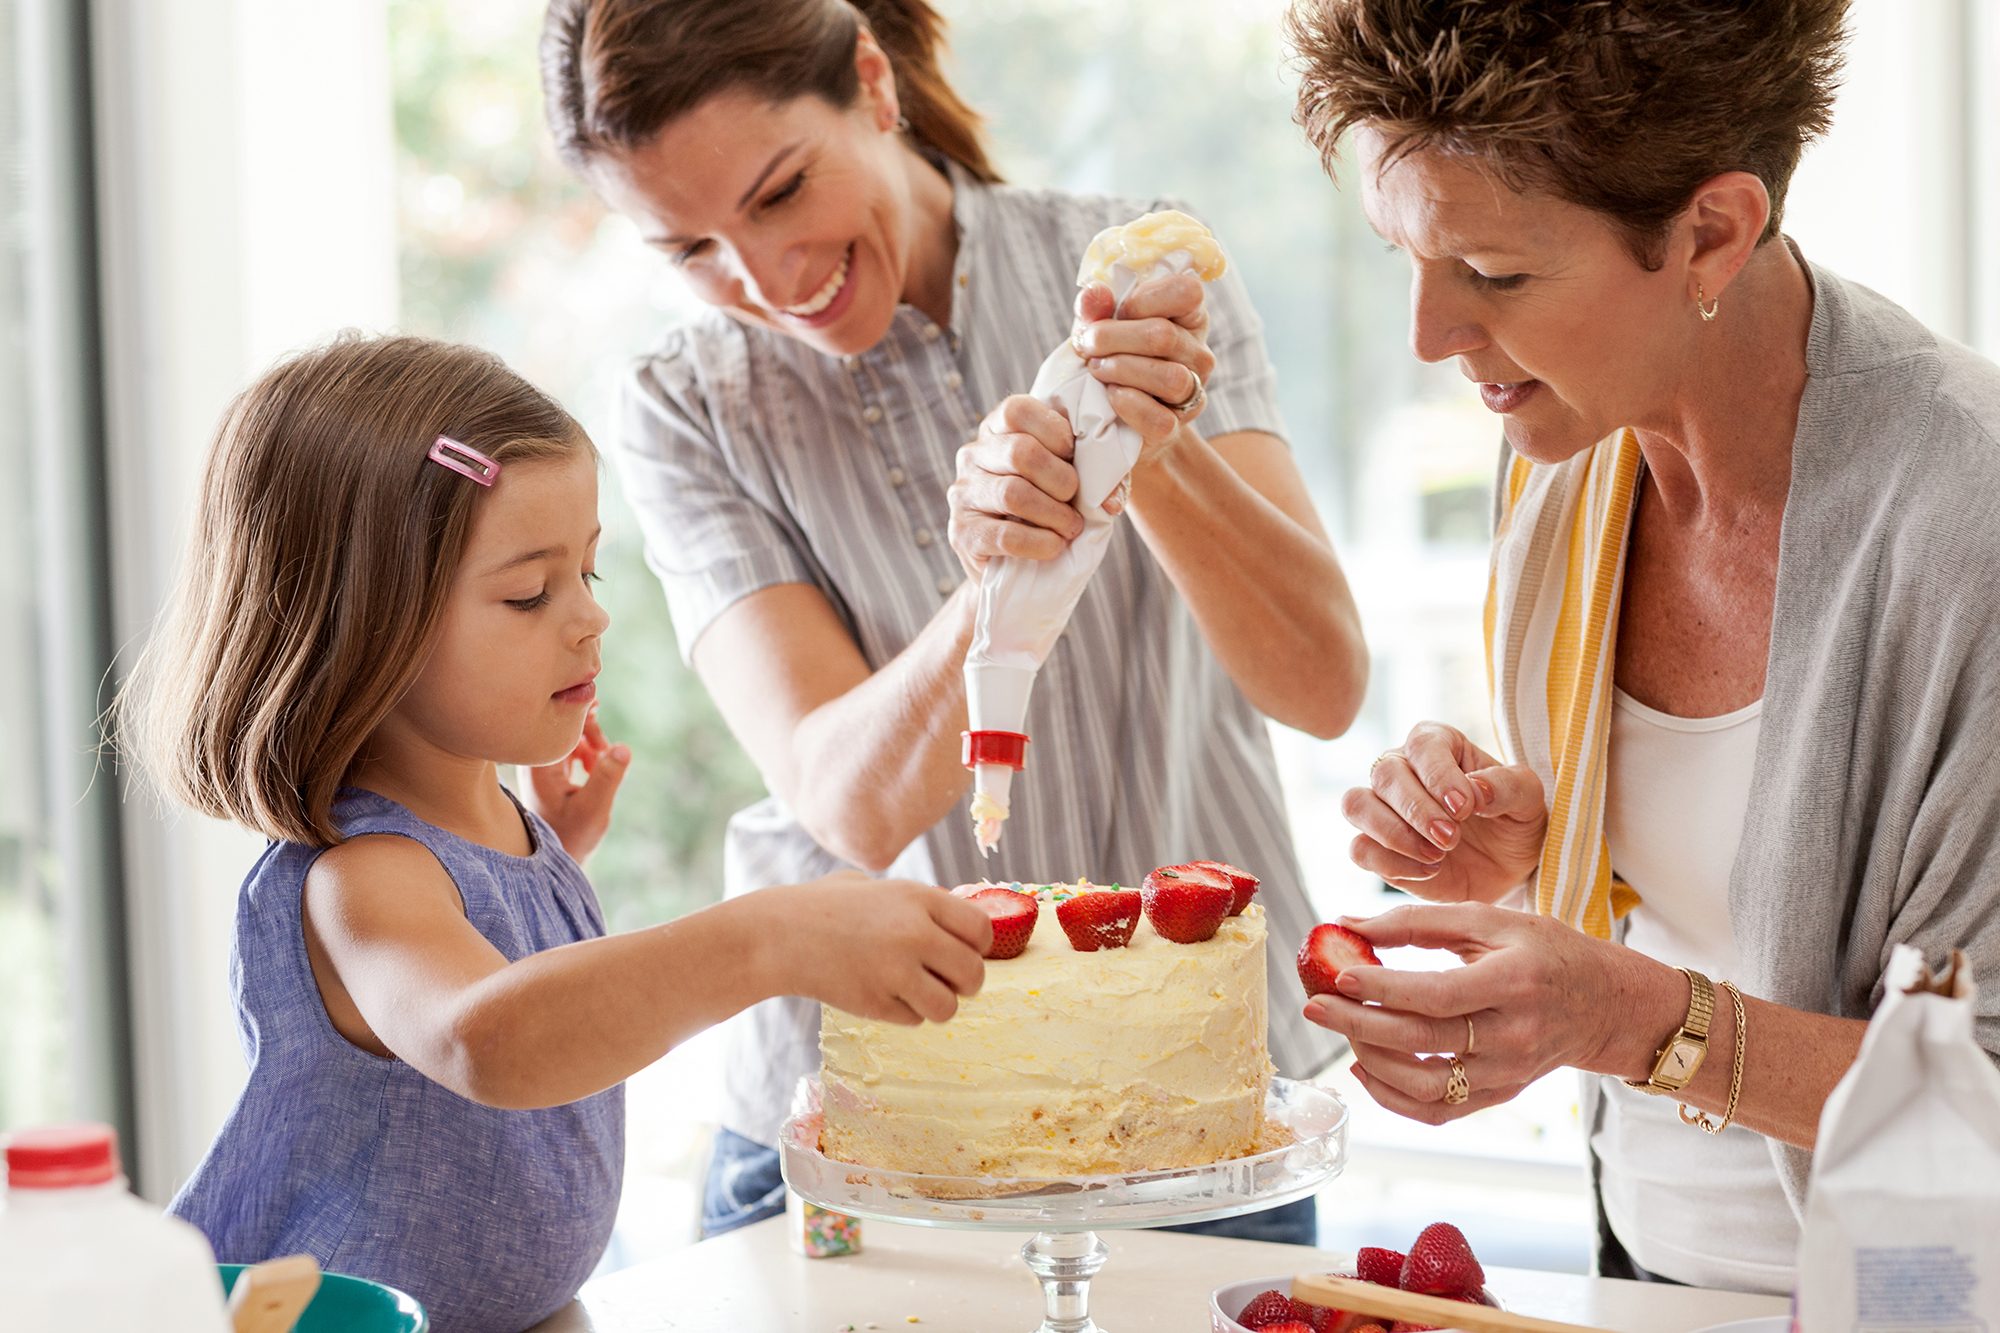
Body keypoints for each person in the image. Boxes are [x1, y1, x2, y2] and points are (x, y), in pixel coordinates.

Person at [538, 0, 1369, 1244]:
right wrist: (988, 574)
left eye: (777, 194)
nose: (765, 286)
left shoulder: (1135, 269)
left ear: (871, 84)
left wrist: (1144, 445)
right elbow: (851, 801)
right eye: (691, 250)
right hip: (867, 1137)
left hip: (1195, 1115)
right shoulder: (685, 402)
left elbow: (1320, 686)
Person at [1283, 0, 2000, 1294]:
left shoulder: (1968, 524)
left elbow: (1986, 1091)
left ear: (1711, 234)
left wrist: (1631, 1016)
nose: (1429, 336)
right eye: (1407, 253)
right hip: (1648, 1279)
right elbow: (1703, 886)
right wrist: (1527, 843)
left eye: (1494, 275)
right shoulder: (1573, 453)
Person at [118, 334, 992, 1332]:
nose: (586, 619)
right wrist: (766, 938)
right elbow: (483, 1039)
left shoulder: (493, 838)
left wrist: (552, 855)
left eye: (588, 572)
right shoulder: (361, 879)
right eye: (529, 592)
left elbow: (501, 975)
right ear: (366, 625)